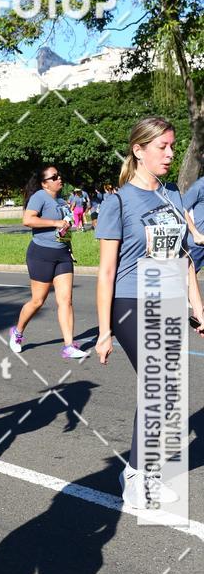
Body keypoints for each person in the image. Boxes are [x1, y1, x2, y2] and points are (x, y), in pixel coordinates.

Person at [95, 116, 204, 508]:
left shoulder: (173, 195)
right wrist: (104, 331)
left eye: (173, 146)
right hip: (129, 300)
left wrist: (198, 307)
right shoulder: (118, 201)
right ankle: (138, 476)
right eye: (163, 147)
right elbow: (106, 271)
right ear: (139, 150)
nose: (171, 154)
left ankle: (146, 473)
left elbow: (185, 258)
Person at [9, 165, 86, 359]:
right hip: (41, 253)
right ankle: (17, 333)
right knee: (37, 301)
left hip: (62, 254)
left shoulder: (60, 200)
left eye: (59, 175)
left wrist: (68, 244)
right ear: (45, 183)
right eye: (54, 177)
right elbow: (27, 220)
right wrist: (55, 223)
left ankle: (69, 346)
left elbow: (63, 228)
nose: (59, 178)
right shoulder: (39, 197)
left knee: (66, 300)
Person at [183, 173, 204, 274]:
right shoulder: (200, 186)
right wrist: (196, 234)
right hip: (196, 247)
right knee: (183, 283)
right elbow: (180, 209)